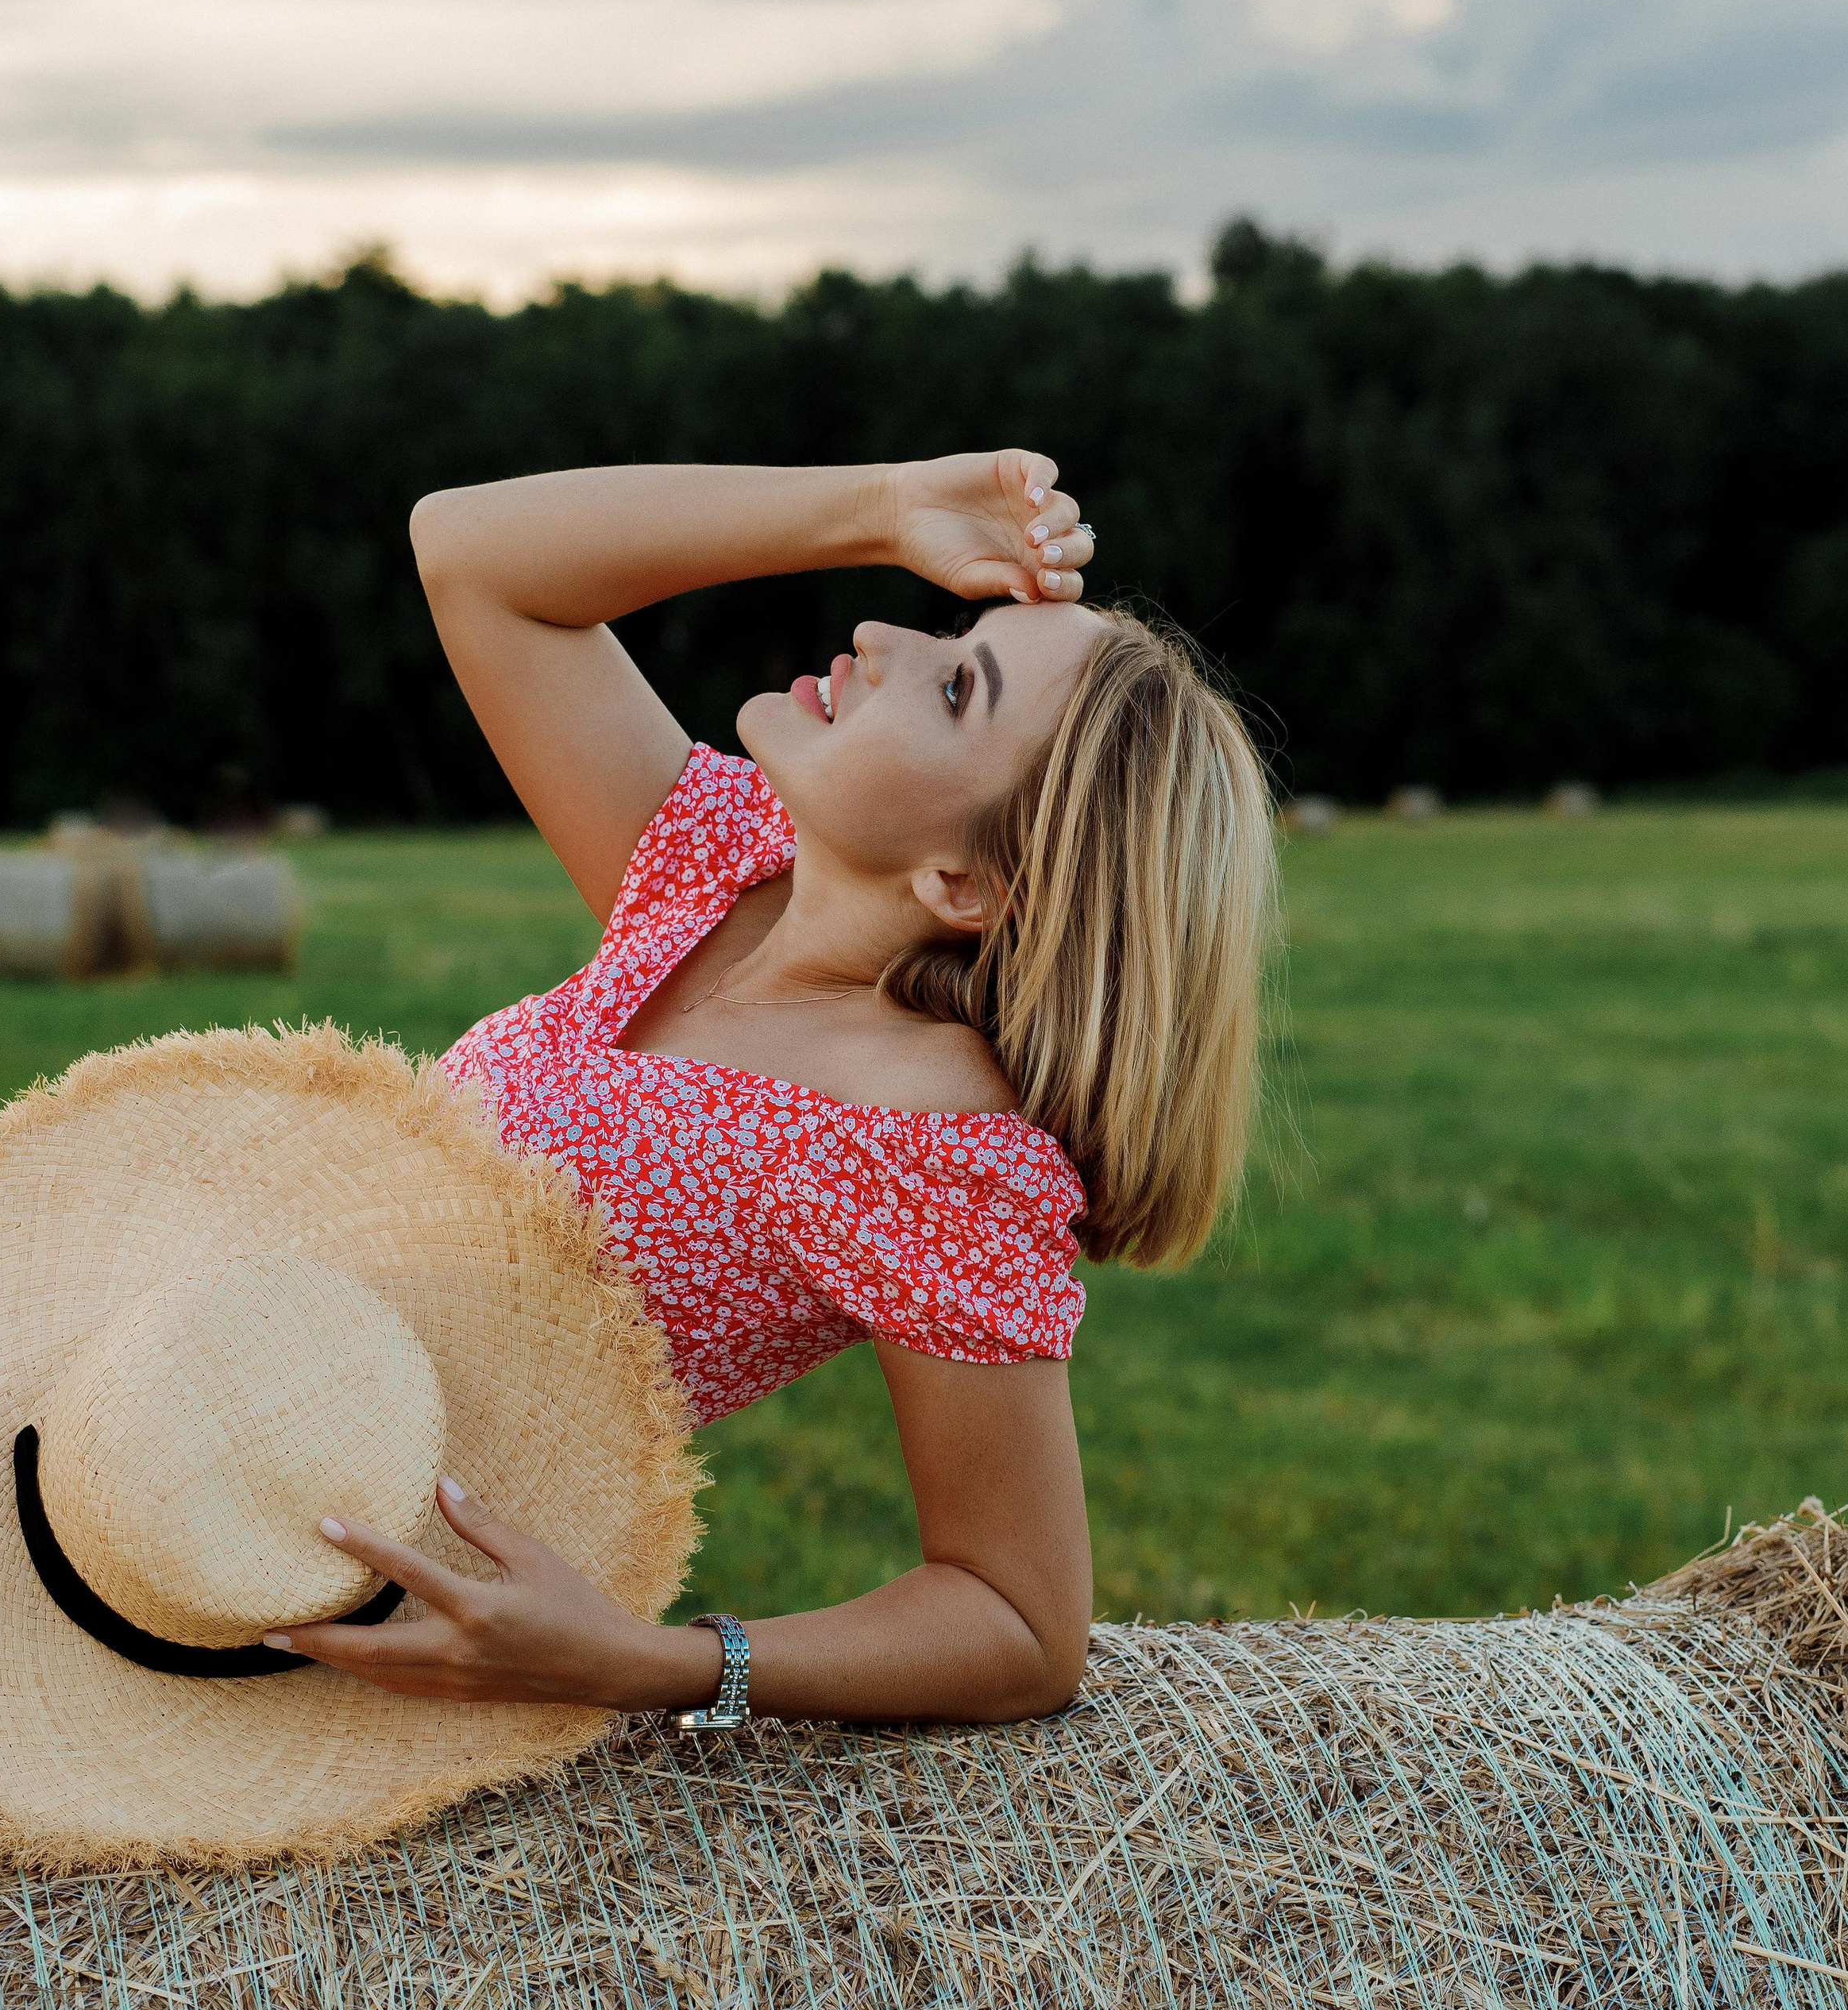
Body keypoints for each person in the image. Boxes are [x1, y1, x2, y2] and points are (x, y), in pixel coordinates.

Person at [269, 453, 1275, 1729]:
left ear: (965, 884)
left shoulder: (929, 1148)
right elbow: (470, 553)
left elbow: (1022, 1621)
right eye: (951, 631)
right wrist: (882, 509)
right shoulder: (716, 865)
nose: (883, 636)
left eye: (958, 684)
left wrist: (666, 1666)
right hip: (194, 1388)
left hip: (298, 1574)